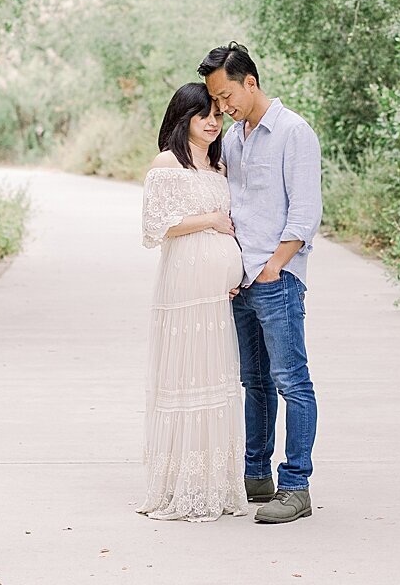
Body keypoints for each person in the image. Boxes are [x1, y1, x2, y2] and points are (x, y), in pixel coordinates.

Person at [199, 42, 322, 525]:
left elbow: (306, 213)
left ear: (250, 82)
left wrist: (274, 266)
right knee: (254, 382)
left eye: (227, 95)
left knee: (291, 381)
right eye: (217, 100)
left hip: (277, 278)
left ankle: (296, 485)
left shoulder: (294, 132)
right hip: (241, 280)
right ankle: (256, 475)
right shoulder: (233, 138)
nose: (224, 107)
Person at [137, 82, 250, 522]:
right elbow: (155, 227)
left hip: (215, 298)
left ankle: (211, 484)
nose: (212, 122)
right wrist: (212, 221)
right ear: (183, 118)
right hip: (184, 293)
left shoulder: (219, 166)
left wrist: (234, 270)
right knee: (186, 378)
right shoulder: (166, 165)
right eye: (203, 114)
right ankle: (179, 486)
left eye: (217, 115)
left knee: (214, 381)